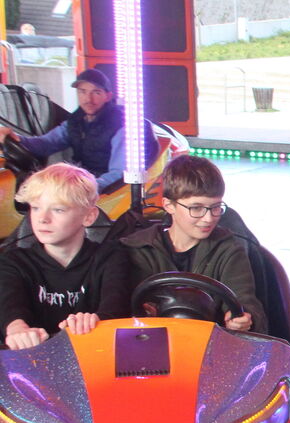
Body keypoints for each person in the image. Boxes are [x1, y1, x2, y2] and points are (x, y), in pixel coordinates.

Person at [121, 155, 265, 333]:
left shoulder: (229, 249)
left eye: (216, 207)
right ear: (168, 205)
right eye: (196, 208)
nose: (209, 218)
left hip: (211, 346)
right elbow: (121, 307)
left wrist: (242, 318)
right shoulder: (139, 250)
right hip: (151, 344)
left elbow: (245, 300)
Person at [0, 163, 130, 350]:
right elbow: (10, 306)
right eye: (36, 208)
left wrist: (96, 321)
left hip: (94, 357)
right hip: (33, 362)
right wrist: (17, 329)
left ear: (89, 216)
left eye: (58, 210)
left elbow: (116, 307)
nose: (42, 218)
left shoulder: (111, 257)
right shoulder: (13, 262)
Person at [0, 68, 156, 191]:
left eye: (96, 92)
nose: (88, 99)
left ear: (108, 96)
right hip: (86, 180)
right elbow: (47, 143)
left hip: (108, 189)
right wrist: (17, 139)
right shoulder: (76, 121)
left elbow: (118, 174)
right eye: (83, 92)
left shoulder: (121, 126)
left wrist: (82, 186)